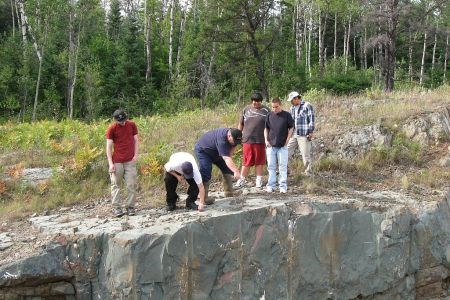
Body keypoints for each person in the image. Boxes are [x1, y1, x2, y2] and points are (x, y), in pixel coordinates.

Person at [194, 128, 242, 204]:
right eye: (234, 141)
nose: (235, 143)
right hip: (203, 151)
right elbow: (226, 158)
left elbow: (232, 148)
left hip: (216, 151)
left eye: (237, 141)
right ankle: (203, 197)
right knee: (206, 171)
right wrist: (236, 171)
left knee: (227, 168)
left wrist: (230, 157)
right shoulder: (222, 140)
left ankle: (229, 192)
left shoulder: (234, 136)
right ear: (229, 136)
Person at [106, 109, 139, 217]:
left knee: (131, 184)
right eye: (120, 121)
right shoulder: (112, 129)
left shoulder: (132, 125)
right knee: (116, 185)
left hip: (130, 160)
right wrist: (110, 163)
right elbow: (109, 147)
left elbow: (136, 140)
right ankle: (117, 208)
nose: (123, 122)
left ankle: (130, 207)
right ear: (115, 120)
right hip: (117, 161)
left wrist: (136, 155)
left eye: (124, 120)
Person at [235, 91, 270, 188]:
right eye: (254, 101)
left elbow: (269, 126)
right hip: (247, 140)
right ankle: (242, 180)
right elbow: (241, 124)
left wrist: (269, 138)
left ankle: (258, 180)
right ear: (252, 101)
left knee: (260, 161)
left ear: (261, 101)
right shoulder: (246, 109)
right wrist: (238, 135)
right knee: (247, 161)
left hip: (260, 140)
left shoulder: (266, 110)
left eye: (258, 101)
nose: (256, 103)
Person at [264, 97, 294, 193]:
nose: (274, 109)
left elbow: (291, 127)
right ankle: (271, 185)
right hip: (271, 146)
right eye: (272, 107)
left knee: (282, 166)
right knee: (271, 167)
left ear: (280, 105)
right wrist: (266, 140)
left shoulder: (287, 115)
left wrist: (288, 138)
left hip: (282, 146)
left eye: (276, 107)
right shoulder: (269, 115)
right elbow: (266, 128)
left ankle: (282, 186)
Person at [286, 91, 315, 176]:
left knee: (305, 154)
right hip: (293, 134)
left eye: (292, 100)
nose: (291, 102)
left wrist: (310, 131)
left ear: (296, 98)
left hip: (304, 134)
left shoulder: (307, 105)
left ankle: (308, 173)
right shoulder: (292, 108)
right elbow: (291, 122)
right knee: (286, 152)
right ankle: (286, 170)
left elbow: (311, 119)